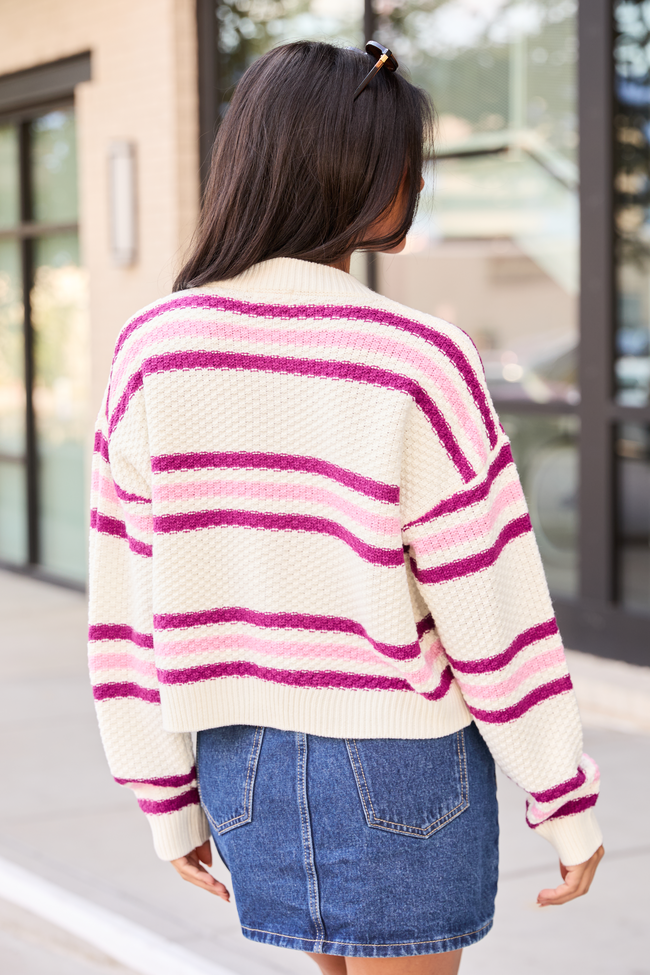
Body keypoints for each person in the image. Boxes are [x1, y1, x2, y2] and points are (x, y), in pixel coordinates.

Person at [88, 40, 604, 975]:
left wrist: (164, 795)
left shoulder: (152, 350)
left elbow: (127, 607)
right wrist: (562, 795)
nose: (418, 184)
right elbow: (492, 604)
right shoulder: (416, 356)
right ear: (356, 173)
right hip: (400, 760)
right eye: (407, 163)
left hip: (239, 765)